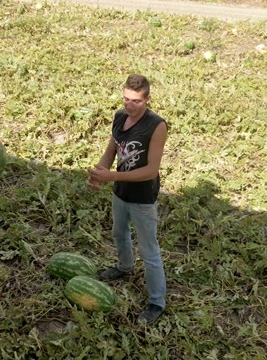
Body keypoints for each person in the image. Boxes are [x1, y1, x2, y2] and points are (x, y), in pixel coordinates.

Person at [87, 74, 168, 325]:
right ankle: (124, 266)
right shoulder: (120, 117)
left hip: (142, 198)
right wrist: (100, 172)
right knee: (118, 233)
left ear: (147, 100)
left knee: (149, 250)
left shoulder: (156, 126)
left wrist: (112, 175)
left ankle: (157, 301)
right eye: (125, 99)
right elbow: (112, 149)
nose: (129, 105)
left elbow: (151, 170)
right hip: (120, 191)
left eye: (135, 101)